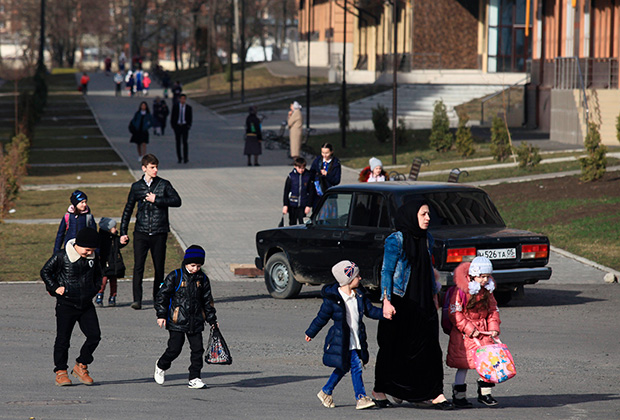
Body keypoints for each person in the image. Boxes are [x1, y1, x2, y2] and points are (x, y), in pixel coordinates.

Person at [372, 200, 454, 410]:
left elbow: (428, 268)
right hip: (400, 301)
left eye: (428, 214)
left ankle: (434, 393)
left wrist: (435, 295)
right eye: (424, 214)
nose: (428, 218)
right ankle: (379, 391)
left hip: (424, 301)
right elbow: (386, 272)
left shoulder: (427, 238)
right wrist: (386, 301)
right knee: (393, 348)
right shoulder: (396, 240)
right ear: (412, 216)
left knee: (429, 349)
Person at [305, 260, 382, 410]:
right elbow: (321, 317)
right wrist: (310, 332)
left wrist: (385, 314)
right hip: (343, 340)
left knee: (343, 367)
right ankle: (361, 398)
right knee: (356, 366)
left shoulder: (358, 295)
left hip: (356, 338)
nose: (360, 278)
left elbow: (371, 311)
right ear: (347, 280)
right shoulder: (333, 300)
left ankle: (326, 391)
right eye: (357, 276)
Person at [41, 227, 102, 386]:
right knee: (63, 339)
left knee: (94, 335)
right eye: (87, 249)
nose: (89, 253)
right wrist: (55, 288)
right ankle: (61, 371)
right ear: (78, 245)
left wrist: (93, 290)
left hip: (86, 304)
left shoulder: (94, 258)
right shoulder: (62, 256)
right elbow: (45, 271)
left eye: (92, 250)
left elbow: (98, 276)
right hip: (66, 304)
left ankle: (81, 365)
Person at [120, 154, 182, 310]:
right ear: (144, 168)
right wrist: (123, 231)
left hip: (159, 231)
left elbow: (177, 201)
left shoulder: (164, 184)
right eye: (152, 167)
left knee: (159, 267)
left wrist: (158, 200)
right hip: (141, 232)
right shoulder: (137, 187)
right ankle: (137, 300)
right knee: (138, 266)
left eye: (156, 167)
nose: (155, 170)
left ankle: (158, 297)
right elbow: (128, 209)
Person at [154, 245, 217, 389]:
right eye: (193, 265)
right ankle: (161, 365)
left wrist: (212, 320)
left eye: (198, 265)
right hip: (177, 320)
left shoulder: (203, 279)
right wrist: (161, 315)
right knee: (174, 349)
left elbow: (207, 301)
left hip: (196, 321)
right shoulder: (175, 276)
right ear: (186, 263)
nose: (195, 268)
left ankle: (194, 377)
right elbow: (162, 297)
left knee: (197, 350)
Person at [446, 256, 501, 408]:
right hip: (464, 334)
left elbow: (492, 310)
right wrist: (469, 329)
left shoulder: (487, 291)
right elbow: (455, 313)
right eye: (481, 276)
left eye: (487, 277)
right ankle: (459, 395)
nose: (484, 280)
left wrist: (493, 327)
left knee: (488, 363)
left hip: (483, 332)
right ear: (472, 275)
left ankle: (485, 393)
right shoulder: (461, 291)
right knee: (463, 364)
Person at [96, 217, 128, 307]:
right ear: (108, 229)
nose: (116, 229)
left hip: (114, 263)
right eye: (114, 227)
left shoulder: (115, 238)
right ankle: (100, 294)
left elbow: (120, 244)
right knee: (103, 280)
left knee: (113, 282)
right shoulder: (101, 239)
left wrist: (125, 240)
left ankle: (113, 296)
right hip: (105, 263)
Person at [54, 190, 97, 254]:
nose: (85, 204)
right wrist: (56, 250)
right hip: (69, 248)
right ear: (75, 203)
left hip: (83, 250)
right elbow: (60, 234)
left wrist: (97, 251)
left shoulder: (88, 217)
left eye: (85, 202)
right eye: (82, 202)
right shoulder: (68, 216)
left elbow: (94, 235)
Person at [282, 157, 313, 225]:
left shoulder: (308, 176)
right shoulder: (291, 176)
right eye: (299, 168)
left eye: (303, 168)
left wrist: (308, 205)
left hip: (303, 204)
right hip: (292, 204)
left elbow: (311, 192)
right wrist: (285, 205)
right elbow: (286, 192)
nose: (301, 170)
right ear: (295, 166)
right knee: (292, 223)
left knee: (303, 223)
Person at [170, 94, 193, 164]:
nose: (183, 100)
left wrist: (188, 126)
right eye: (181, 99)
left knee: (185, 142)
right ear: (179, 99)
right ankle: (179, 158)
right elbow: (172, 116)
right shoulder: (176, 107)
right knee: (178, 142)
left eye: (184, 99)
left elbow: (190, 118)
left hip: (185, 126)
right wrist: (173, 126)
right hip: (177, 126)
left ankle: (186, 158)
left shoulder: (188, 108)